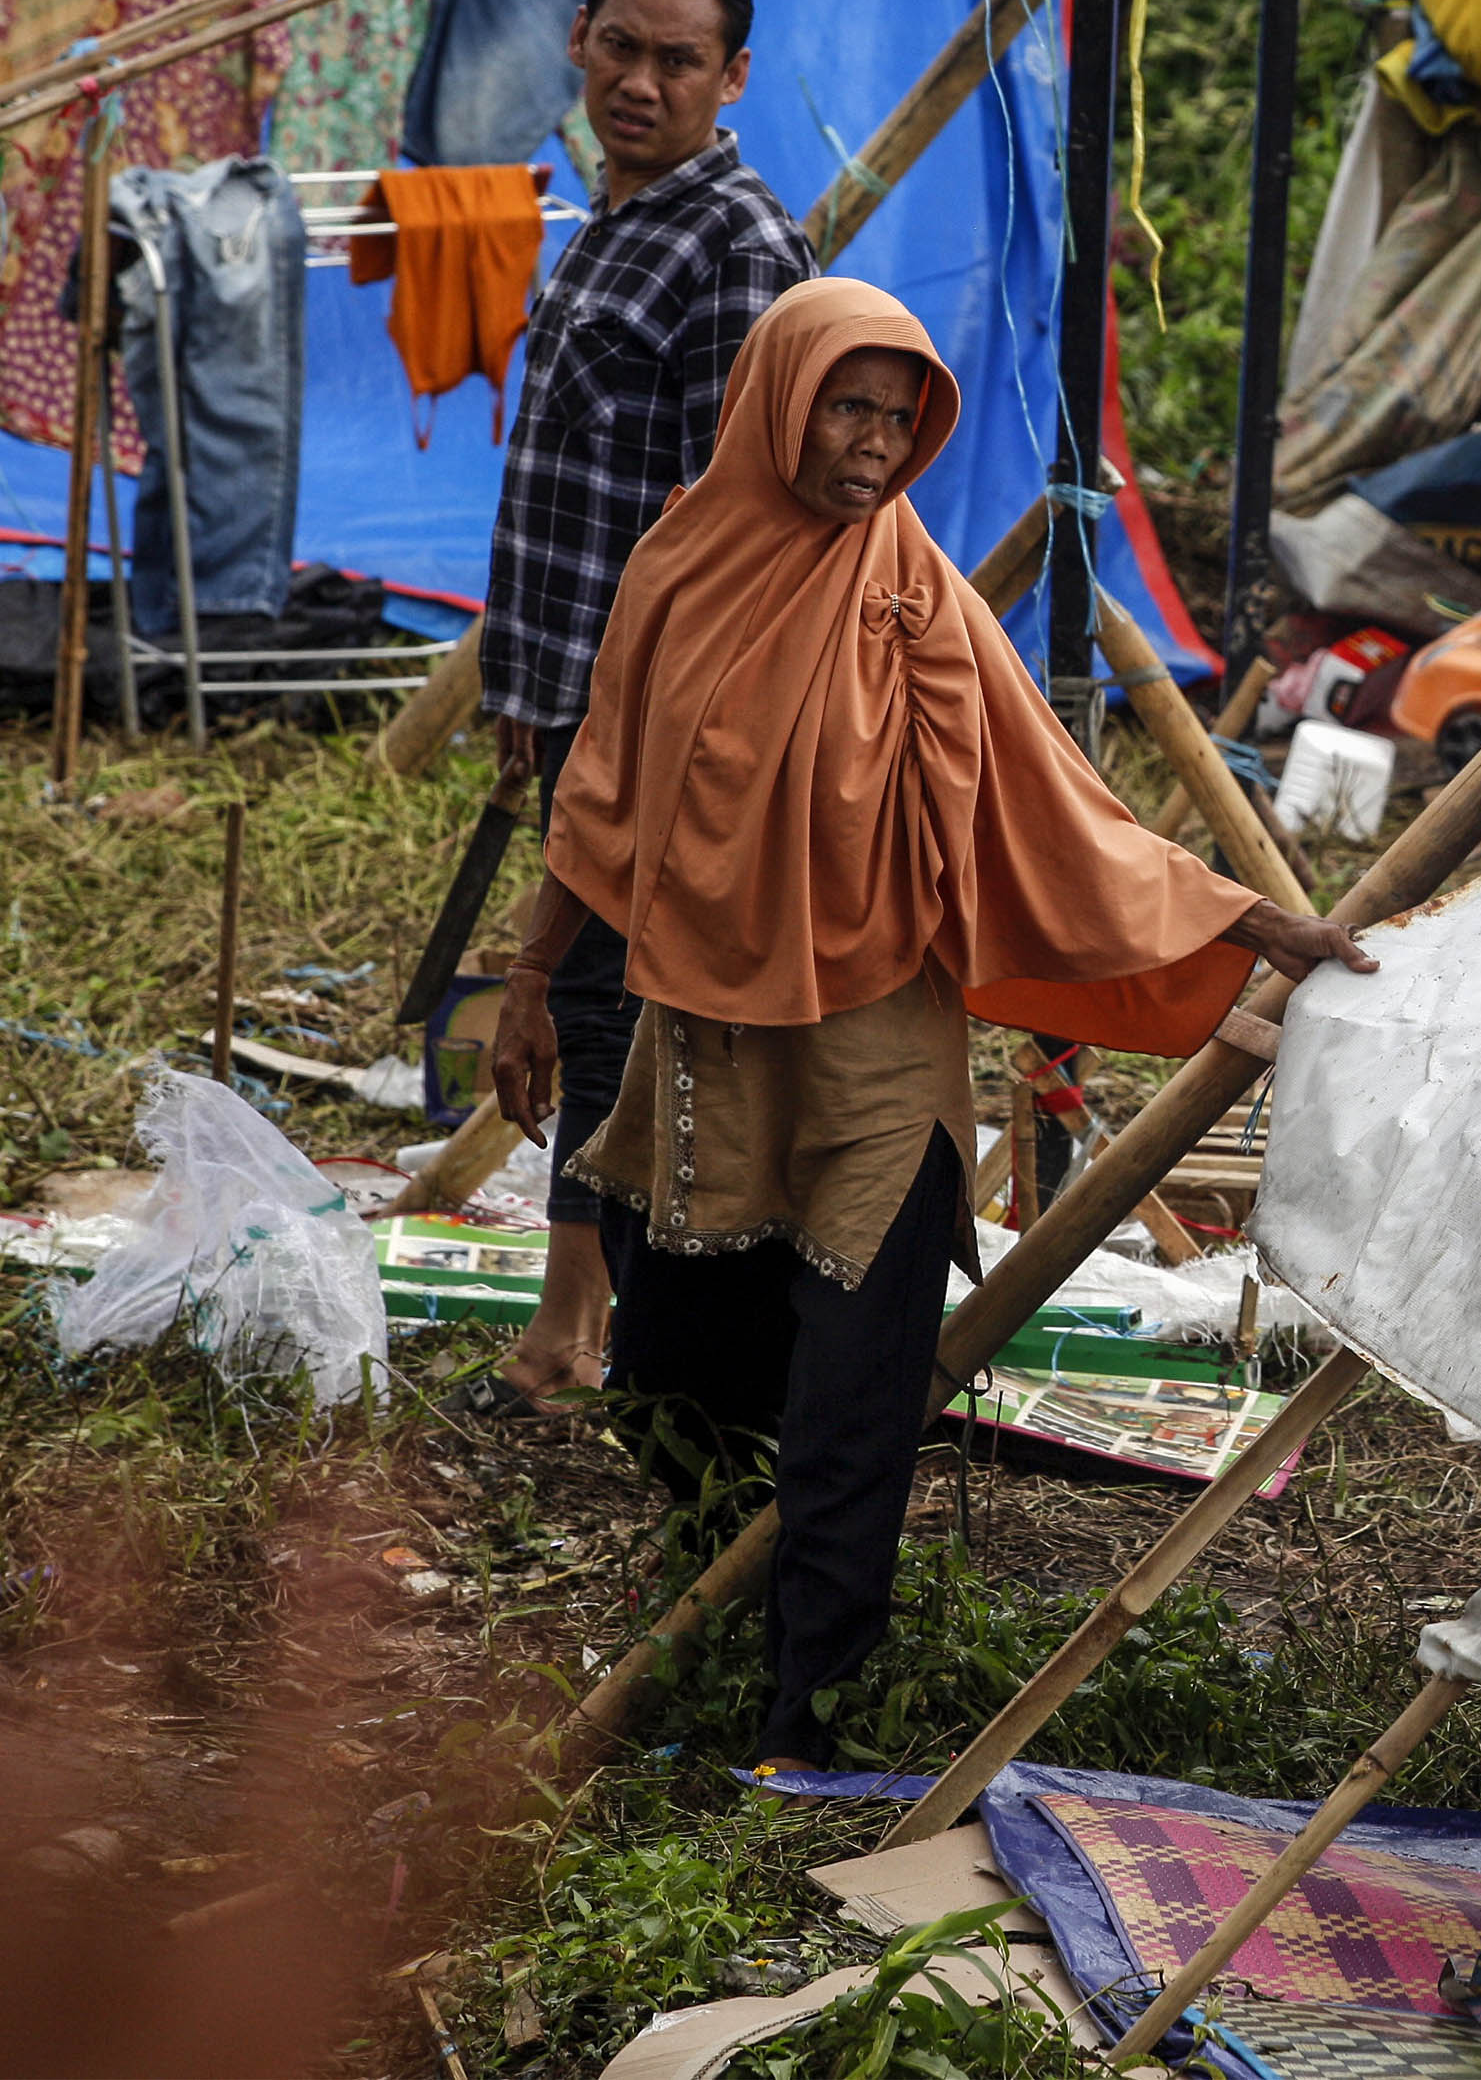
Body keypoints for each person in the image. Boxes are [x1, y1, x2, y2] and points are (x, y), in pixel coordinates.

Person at [486, 278, 1372, 1770]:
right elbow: (605, 793)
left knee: (858, 1385)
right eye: (849, 406)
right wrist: (526, 981)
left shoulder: (912, 592)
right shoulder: (678, 569)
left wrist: (1244, 919)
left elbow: (1056, 805)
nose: (876, 444)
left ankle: (806, 1721)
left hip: (881, 1039)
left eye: (902, 419)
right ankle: (715, 1595)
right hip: (709, 1031)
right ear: (778, 399)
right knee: (672, 1371)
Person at [477, 0, 815, 1403]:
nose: (642, 80)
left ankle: (572, 1332)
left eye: (681, 59)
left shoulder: (737, 246)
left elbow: (729, 535)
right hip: (571, 683)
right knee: (597, 994)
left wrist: (627, 726)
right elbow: (566, 487)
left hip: (650, 708)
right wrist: (522, 693)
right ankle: (600, 1314)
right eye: (621, 45)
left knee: (605, 996)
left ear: (731, 78)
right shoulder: (614, 216)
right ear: (579, 40)